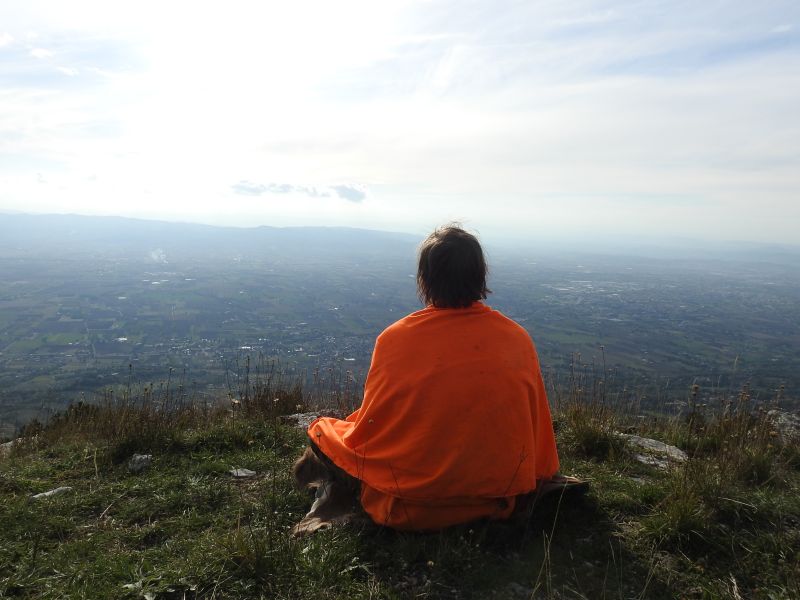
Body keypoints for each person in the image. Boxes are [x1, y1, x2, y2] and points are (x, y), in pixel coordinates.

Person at [294, 225, 569, 532]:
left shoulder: (395, 338)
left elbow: (374, 426)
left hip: (405, 507)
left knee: (324, 430)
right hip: (498, 503)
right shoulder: (517, 339)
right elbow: (535, 432)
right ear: (480, 276)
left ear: (425, 279)